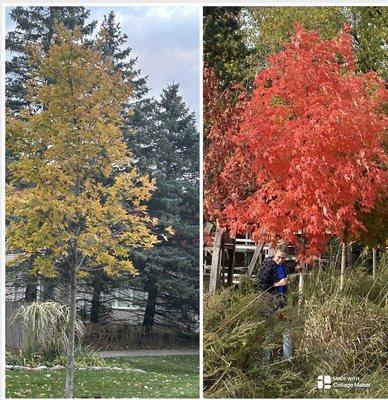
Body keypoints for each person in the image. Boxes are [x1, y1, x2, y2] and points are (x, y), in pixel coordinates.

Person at [255, 249, 297, 361]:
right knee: (270, 332)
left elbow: (290, 267)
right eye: (278, 257)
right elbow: (260, 285)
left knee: (287, 330)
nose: (280, 260)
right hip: (270, 303)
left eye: (283, 258)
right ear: (274, 255)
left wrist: (297, 269)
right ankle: (264, 362)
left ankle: (288, 360)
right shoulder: (268, 266)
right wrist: (278, 283)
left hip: (281, 303)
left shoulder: (282, 266)